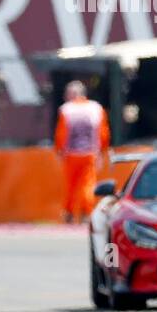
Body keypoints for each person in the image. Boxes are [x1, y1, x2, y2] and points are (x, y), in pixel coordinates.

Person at [54, 81, 109, 224]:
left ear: (73, 94)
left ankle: (69, 213)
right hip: (90, 153)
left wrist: (59, 151)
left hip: (71, 154)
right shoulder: (96, 108)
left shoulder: (66, 109)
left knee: (70, 185)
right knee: (88, 184)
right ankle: (87, 212)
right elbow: (103, 133)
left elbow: (61, 134)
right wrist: (102, 151)